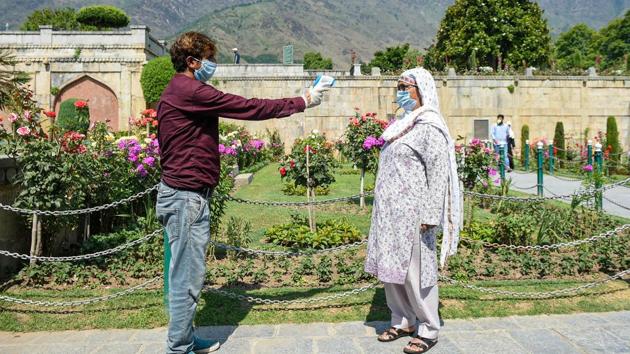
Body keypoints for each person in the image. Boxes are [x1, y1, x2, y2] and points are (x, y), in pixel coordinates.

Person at [156, 32, 330, 354]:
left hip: (183, 196)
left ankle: (185, 340)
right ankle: (178, 349)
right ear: (193, 62)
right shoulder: (191, 91)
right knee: (186, 279)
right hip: (185, 199)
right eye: (208, 58)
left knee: (186, 275)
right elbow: (249, 107)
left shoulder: (179, 90)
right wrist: (303, 101)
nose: (213, 64)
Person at [365, 68, 462, 354]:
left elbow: (438, 171)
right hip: (389, 213)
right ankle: (403, 319)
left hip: (414, 214)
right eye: (399, 86)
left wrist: (431, 214)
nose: (401, 92)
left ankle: (429, 327)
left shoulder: (430, 125)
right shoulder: (402, 124)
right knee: (390, 269)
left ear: (422, 90)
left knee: (416, 273)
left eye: (406, 87)